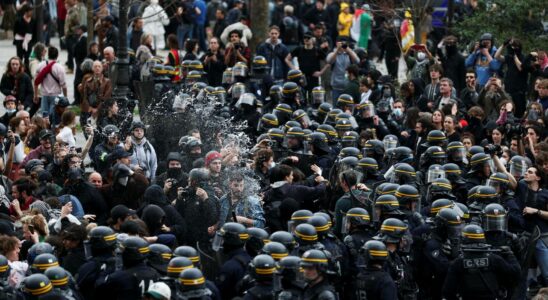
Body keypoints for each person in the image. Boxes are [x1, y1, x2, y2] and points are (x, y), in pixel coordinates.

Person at [34, 46, 67, 121]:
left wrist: (35, 95)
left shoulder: (41, 65)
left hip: (44, 95)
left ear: (48, 54)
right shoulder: (60, 67)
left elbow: (36, 81)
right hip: (56, 95)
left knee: (44, 117)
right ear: (57, 55)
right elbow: (64, 85)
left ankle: (46, 131)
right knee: (53, 117)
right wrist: (65, 97)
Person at [326, 36, 359, 101]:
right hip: (336, 87)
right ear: (336, 43)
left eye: (344, 43)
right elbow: (329, 61)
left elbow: (357, 61)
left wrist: (348, 49)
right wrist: (337, 50)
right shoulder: (333, 53)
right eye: (341, 43)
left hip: (348, 87)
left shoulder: (349, 53)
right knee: (336, 107)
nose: (343, 44)